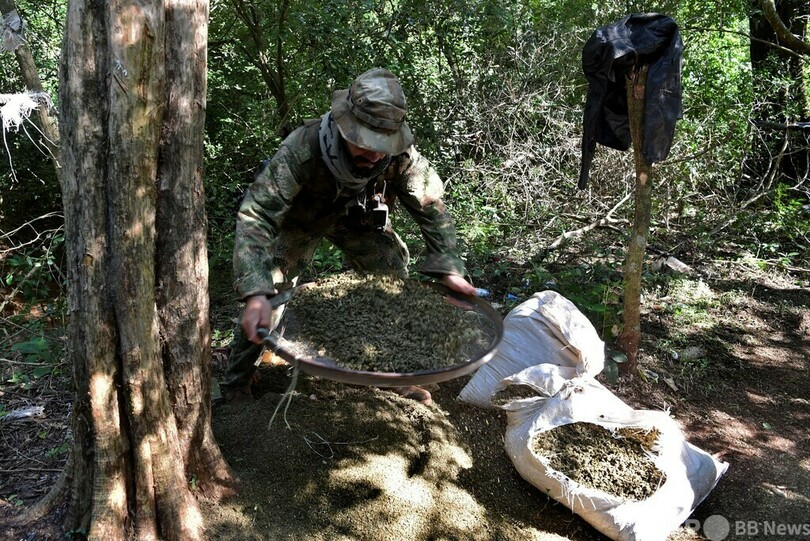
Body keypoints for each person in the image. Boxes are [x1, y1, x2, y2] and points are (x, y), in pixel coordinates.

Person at [218, 67, 477, 406]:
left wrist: (449, 267)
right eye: (366, 143)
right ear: (344, 127)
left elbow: (432, 209)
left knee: (390, 274)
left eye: (383, 145)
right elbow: (257, 215)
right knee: (272, 291)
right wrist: (255, 292)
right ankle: (236, 383)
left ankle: (389, 373)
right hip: (300, 219)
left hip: (357, 216)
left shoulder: (401, 157)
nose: (375, 154)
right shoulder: (302, 148)